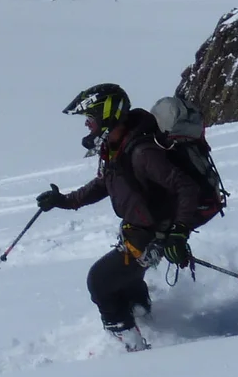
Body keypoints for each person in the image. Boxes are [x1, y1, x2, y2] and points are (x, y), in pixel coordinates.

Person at [35, 83, 208, 348]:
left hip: (152, 236)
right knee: (124, 285)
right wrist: (63, 201)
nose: (87, 125)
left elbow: (186, 187)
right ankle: (150, 328)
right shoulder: (118, 147)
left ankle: (128, 346)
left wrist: (178, 233)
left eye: (90, 118)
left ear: (107, 115)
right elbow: (104, 184)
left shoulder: (142, 152)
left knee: (100, 280)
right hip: (137, 232)